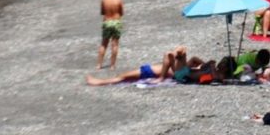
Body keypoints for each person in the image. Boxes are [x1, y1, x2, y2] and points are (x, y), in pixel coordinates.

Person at [85, 46, 217, 85]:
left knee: (122, 77)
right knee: (123, 76)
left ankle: (99, 82)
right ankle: (100, 81)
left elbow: (189, 63)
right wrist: (205, 64)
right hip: (161, 71)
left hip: (150, 72)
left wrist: (205, 65)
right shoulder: (193, 69)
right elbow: (194, 61)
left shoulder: (189, 71)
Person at [97, 0, 123, 69]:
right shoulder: (119, 0)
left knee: (104, 44)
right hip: (116, 22)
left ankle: (99, 65)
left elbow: (102, 12)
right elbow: (121, 13)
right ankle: (112, 65)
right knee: (115, 45)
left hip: (107, 22)